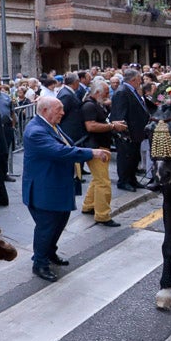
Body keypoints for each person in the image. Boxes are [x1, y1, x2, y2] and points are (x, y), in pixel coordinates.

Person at [23, 97, 109, 282]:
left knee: (59, 223)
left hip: (58, 186)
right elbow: (60, 152)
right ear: (45, 110)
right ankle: (39, 263)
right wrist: (91, 153)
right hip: (44, 190)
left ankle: (49, 253)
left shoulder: (51, 125)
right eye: (59, 109)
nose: (63, 112)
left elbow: (68, 144)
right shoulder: (36, 131)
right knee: (46, 227)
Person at [80, 80, 123, 227]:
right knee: (103, 182)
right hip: (96, 147)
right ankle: (102, 215)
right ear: (97, 93)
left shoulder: (94, 104)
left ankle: (89, 205)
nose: (108, 94)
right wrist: (112, 126)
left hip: (99, 146)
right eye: (105, 92)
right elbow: (91, 126)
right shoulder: (89, 105)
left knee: (97, 179)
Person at [109, 68, 149, 192]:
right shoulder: (122, 92)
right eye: (139, 79)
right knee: (125, 158)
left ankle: (132, 179)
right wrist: (124, 134)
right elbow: (119, 115)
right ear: (133, 80)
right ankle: (124, 181)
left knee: (134, 157)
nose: (141, 81)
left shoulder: (131, 90)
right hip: (127, 134)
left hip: (136, 132)